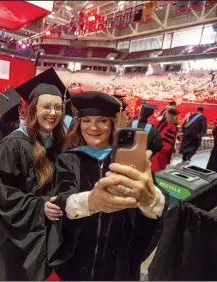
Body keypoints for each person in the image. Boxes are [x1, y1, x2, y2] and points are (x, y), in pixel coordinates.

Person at [47, 91, 165, 281]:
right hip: (77, 260)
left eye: (102, 120)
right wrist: (90, 202)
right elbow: (63, 196)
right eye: (86, 120)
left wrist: (151, 198)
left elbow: (155, 207)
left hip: (119, 263)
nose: (93, 127)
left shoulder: (130, 161)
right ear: (79, 125)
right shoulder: (69, 160)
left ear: (112, 124)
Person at [0, 69, 68, 281]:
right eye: (46, 107)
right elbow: (1, 193)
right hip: (10, 230)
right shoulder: (13, 145)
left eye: (58, 107)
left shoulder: (56, 143)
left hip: (38, 229)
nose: (53, 113)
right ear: (33, 109)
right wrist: (39, 206)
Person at [151, 108, 179, 172]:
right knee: (156, 166)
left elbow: (167, 139)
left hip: (162, 150)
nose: (165, 115)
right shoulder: (165, 124)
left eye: (166, 113)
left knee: (157, 167)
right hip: (159, 148)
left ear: (169, 115)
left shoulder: (172, 126)